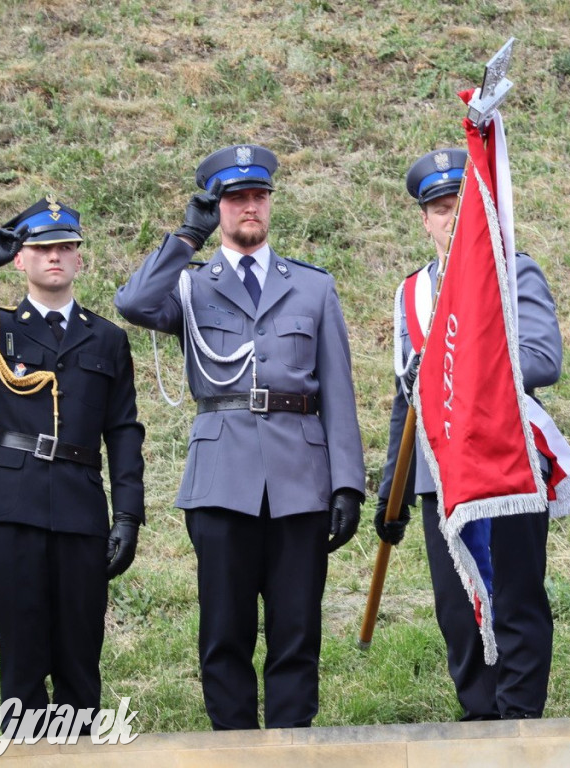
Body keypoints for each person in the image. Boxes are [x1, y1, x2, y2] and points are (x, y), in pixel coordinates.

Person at [114, 145, 366, 730]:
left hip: (300, 483)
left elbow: (337, 390)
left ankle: (290, 746)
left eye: (258, 196)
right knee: (224, 632)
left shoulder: (311, 287)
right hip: (222, 480)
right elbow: (132, 302)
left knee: (296, 630)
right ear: (218, 207)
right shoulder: (190, 284)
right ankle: (232, 748)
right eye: (235, 198)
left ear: (270, 203)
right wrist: (185, 240)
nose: (249, 207)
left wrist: (347, 484)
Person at [373, 148, 564, 720]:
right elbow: (405, 398)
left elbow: (542, 359)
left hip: (507, 465)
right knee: (457, 608)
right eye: (438, 207)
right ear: (423, 219)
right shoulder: (411, 293)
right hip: (440, 472)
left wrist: (452, 369)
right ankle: (480, 719)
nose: (450, 216)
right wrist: (393, 489)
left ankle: (519, 720)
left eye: (460, 204)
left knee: (517, 600)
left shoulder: (513, 270)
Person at [0, 197, 144, 729]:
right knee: (21, 660)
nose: (55, 256)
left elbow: (122, 431)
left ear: (80, 260)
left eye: (66, 247)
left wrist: (128, 516)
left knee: (79, 660)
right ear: (20, 260)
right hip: (11, 506)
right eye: (42, 248)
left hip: (80, 507)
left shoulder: (108, 338)